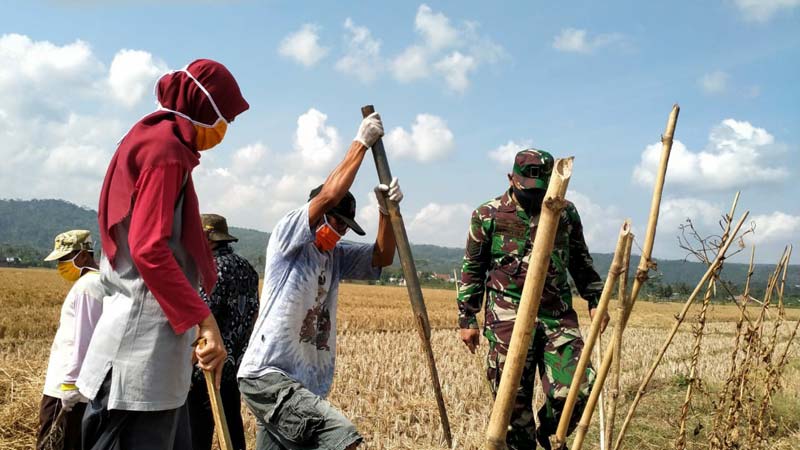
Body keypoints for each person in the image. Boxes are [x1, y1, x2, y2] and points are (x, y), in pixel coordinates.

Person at [77, 59, 249, 450]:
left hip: (156, 356)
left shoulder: (152, 141)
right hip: (138, 363)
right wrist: (205, 321)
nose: (226, 130)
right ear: (206, 108)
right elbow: (149, 249)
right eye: (226, 118)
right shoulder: (166, 152)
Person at [237, 112, 401, 450]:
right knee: (344, 441)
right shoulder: (289, 239)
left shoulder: (335, 257)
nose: (339, 232)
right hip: (269, 376)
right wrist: (360, 143)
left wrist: (388, 212)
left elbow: (382, 257)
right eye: (335, 223)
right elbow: (328, 195)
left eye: (345, 228)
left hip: (304, 385)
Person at [456, 149, 609, 450]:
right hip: (506, 320)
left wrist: (595, 299)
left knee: (578, 391)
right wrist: (467, 317)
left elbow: (580, 259)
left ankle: (550, 431)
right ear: (510, 178)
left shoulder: (565, 213)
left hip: (556, 317)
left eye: (539, 194)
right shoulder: (487, 215)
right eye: (525, 191)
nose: (533, 200)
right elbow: (473, 267)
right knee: (513, 411)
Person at [187, 214, 259, 450]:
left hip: (207, 368)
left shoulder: (211, 269)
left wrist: (186, 365)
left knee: (198, 431)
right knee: (232, 425)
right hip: (235, 362)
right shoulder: (247, 268)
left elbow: (201, 318)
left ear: (207, 239)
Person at [36, 230, 103, 450]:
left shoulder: (88, 286)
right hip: (75, 387)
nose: (61, 265)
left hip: (66, 390)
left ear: (83, 255)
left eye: (64, 259)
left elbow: (84, 338)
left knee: (55, 442)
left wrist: (69, 384)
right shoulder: (95, 282)